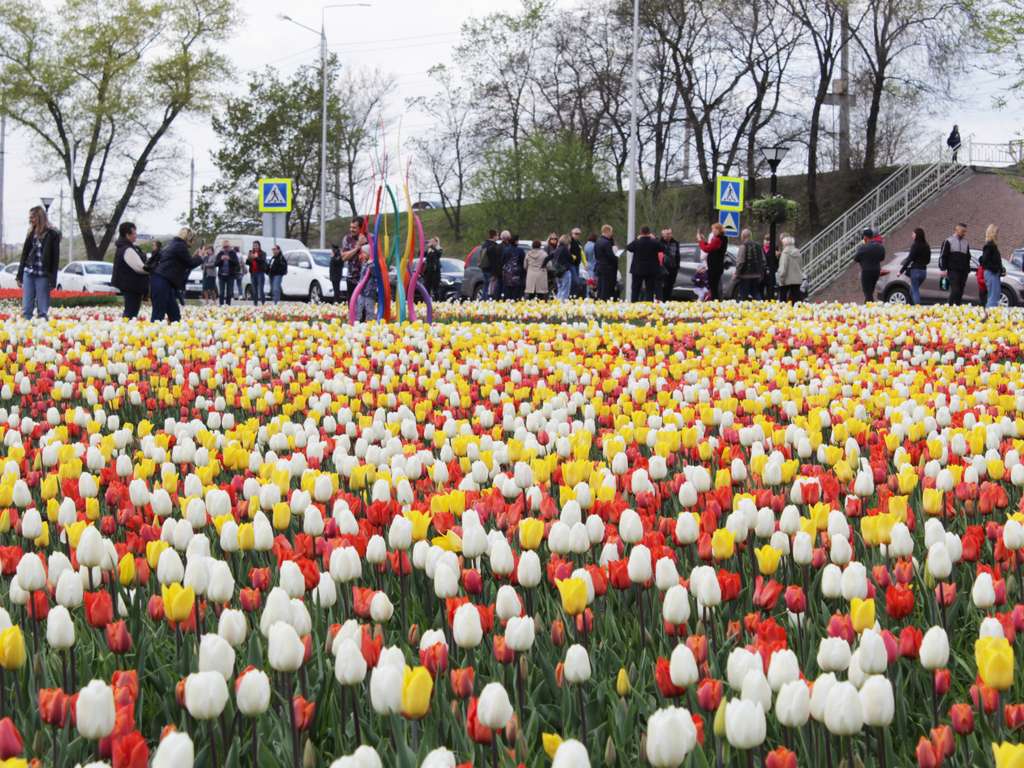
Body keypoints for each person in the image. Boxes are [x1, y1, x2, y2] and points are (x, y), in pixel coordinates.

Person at [16, 206, 61, 320]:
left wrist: (53, 279)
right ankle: (26, 332)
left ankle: (42, 332)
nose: (30, 220)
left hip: (43, 275)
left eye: (33, 217)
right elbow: (24, 255)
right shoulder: (31, 232)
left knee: (42, 310)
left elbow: (55, 259)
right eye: (30, 217)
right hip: (29, 273)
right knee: (26, 308)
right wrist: (19, 275)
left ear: (39, 217)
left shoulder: (52, 234)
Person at [151, 228, 201, 322]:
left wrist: (195, 257)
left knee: (174, 314)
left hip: (163, 281)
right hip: (163, 281)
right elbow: (189, 264)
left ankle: (173, 334)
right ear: (188, 238)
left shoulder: (173, 244)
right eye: (193, 240)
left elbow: (183, 262)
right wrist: (201, 257)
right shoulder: (180, 246)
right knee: (159, 314)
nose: (194, 242)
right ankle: (152, 335)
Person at [111, 221, 149, 318]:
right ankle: (124, 330)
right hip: (131, 286)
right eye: (134, 233)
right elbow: (140, 268)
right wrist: (153, 269)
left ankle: (125, 329)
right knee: (131, 312)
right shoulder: (127, 249)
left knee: (130, 311)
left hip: (129, 285)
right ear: (127, 235)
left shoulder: (124, 247)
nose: (136, 235)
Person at [626, 226, 665, 302]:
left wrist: (637, 238)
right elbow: (662, 248)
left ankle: (633, 305)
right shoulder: (654, 242)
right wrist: (655, 238)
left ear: (641, 232)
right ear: (649, 233)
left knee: (635, 289)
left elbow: (629, 247)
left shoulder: (637, 242)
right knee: (650, 290)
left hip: (637, 269)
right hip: (651, 270)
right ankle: (648, 305)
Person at [939, 223, 971, 305]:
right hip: (952, 270)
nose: (964, 233)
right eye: (962, 231)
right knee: (955, 289)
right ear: (956, 230)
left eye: (965, 231)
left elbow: (968, 257)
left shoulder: (966, 242)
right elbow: (943, 256)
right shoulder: (948, 241)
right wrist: (943, 269)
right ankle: (949, 306)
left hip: (963, 271)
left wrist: (968, 269)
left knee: (960, 291)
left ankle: (958, 306)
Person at [899, 228, 931, 305]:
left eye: (913, 234)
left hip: (915, 271)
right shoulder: (927, 246)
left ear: (917, 235)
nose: (912, 236)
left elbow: (910, 259)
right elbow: (928, 260)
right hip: (923, 272)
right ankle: (910, 305)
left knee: (915, 290)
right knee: (912, 289)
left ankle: (917, 308)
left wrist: (901, 271)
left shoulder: (915, 245)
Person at [853, 228, 886, 303]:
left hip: (866, 271)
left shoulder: (862, 247)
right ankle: (868, 306)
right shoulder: (879, 246)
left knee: (867, 292)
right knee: (871, 290)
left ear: (865, 237)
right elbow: (882, 258)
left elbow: (855, 259)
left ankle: (870, 309)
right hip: (876, 271)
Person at [697, 223, 728, 300]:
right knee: (714, 286)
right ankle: (715, 301)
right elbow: (711, 246)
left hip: (714, 267)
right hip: (717, 266)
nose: (712, 231)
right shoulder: (722, 239)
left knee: (713, 287)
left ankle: (715, 301)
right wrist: (704, 241)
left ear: (718, 230)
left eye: (713, 229)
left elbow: (707, 249)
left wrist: (700, 241)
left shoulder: (718, 239)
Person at [735, 229, 765, 300]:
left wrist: (737, 273)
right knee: (756, 293)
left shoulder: (743, 246)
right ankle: (761, 307)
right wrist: (760, 272)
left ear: (743, 236)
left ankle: (742, 309)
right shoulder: (758, 246)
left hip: (745, 276)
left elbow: (740, 262)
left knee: (743, 295)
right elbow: (763, 260)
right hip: (757, 275)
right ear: (750, 236)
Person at [980, 224, 1004, 310]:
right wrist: (996, 268)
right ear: (993, 233)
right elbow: (984, 262)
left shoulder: (992, 245)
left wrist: (1000, 269)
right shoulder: (989, 246)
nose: (998, 234)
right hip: (991, 273)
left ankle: (991, 315)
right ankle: (990, 316)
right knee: (993, 297)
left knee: (995, 295)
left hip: (993, 273)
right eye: (997, 232)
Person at [341, 218, 365, 301]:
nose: (351, 229)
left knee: (365, 309)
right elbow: (344, 257)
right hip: (352, 279)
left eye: (354, 227)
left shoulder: (369, 238)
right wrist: (357, 248)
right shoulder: (347, 239)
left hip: (366, 280)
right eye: (351, 227)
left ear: (361, 228)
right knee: (352, 307)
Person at [354, 243, 379, 321]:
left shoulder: (372, 264)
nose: (362, 255)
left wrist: (371, 265)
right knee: (358, 308)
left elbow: (376, 274)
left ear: (369, 253)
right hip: (361, 292)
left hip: (369, 292)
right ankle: (357, 321)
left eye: (364, 253)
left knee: (369, 310)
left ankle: (370, 323)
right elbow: (362, 277)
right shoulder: (364, 264)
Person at [776, 235, 804, 303]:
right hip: (797, 279)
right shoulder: (798, 252)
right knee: (795, 299)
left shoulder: (785, 253)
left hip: (786, 280)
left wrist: (781, 278)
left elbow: (783, 267)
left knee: (783, 299)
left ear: (784, 244)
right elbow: (801, 265)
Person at [594, 225, 617, 301]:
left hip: (600, 267)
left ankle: (599, 301)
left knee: (600, 287)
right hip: (608, 268)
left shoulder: (597, 241)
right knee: (606, 288)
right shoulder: (607, 243)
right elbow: (611, 256)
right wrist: (616, 255)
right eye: (611, 232)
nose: (612, 234)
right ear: (607, 231)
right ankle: (604, 301)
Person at [500, 233, 524, 300]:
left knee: (507, 294)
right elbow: (522, 262)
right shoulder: (520, 250)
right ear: (516, 241)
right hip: (517, 275)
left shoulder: (505, 250)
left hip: (507, 274)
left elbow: (502, 261)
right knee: (516, 294)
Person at [659, 228, 681, 301]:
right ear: (662, 235)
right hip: (662, 268)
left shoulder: (675, 243)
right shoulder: (659, 243)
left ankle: (668, 301)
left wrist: (677, 266)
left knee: (670, 287)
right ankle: (662, 301)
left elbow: (677, 255)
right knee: (662, 287)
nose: (668, 235)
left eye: (670, 233)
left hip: (673, 268)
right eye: (666, 234)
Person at [215, 240, 239, 306]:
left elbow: (236, 263)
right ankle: (221, 304)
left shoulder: (233, 253)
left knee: (229, 292)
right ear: (223, 247)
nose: (226, 248)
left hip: (230, 275)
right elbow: (215, 263)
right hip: (221, 275)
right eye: (224, 247)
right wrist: (221, 260)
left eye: (227, 247)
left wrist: (229, 259)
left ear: (229, 247)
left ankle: (228, 305)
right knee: (221, 292)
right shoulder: (220, 253)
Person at [479, 229, 501, 300]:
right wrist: (495, 272)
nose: (498, 237)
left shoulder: (484, 244)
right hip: (490, 270)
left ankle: (483, 300)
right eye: (497, 235)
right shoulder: (493, 246)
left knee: (485, 286)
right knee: (491, 288)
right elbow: (494, 261)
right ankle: (488, 301)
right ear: (494, 236)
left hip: (484, 268)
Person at [551, 235, 574, 300]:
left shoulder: (557, 249)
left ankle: (558, 303)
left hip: (557, 272)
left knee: (560, 289)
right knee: (565, 290)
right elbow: (571, 260)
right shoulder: (565, 249)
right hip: (565, 271)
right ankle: (563, 305)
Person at [246, 241, 268, 306]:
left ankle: (263, 303)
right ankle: (255, 304)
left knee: (260, 289)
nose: (255, 246)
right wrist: (249, 258)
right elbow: (247, 263)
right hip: (253, 273)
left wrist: (256, 257)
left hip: (260, 273)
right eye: (254, 245)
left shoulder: (262, 253)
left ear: (259, 246)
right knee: (254, 290)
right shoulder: (251, 252)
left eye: (256, 245)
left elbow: (262, 261)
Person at [569, 228, 585, 296]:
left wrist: (585, 263)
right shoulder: (570, 241)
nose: (577, 235)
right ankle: (571, 295)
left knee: (576, 281)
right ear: (572, 234)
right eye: (576, 234)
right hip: (571, 264)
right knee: (575, 281)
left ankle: (574, 295)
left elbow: (582, 253)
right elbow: (566, 252)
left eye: (579, 234)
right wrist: (573, 256)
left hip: (577, 264)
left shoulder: (578, 243)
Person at [762, 234, 778, 300]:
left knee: (770, 290)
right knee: (761, 289)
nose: (767, 242)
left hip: (771, 273)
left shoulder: (774, 249)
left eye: (769, 240)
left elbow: (776, 263)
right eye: (766, 240)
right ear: (763, 241)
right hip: (762, 272)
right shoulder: (760, 248)